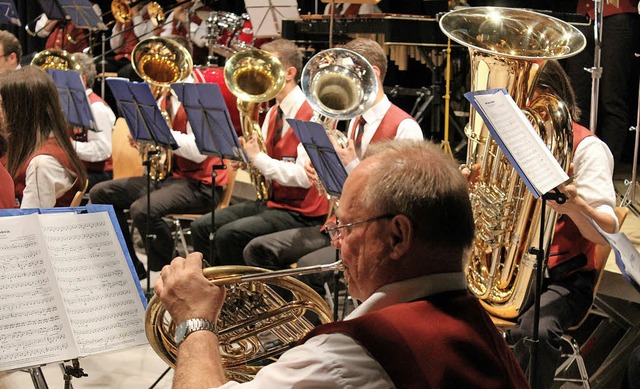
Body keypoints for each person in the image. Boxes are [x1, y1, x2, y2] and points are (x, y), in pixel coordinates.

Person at [155, 139, 530, 388]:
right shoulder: (480, 327)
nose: (336, 241)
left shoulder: (351, 356)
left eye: (346, 227)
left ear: (398, 236)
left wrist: (195, 319)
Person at [242, 37, 423, 283]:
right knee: (258, 250)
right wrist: (324, 172)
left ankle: (316, 321)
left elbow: (402, 200)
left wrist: (350, 165)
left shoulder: (405, 128)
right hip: (341, 226)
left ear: (374, 73)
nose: (340, 81)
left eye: (347, 73)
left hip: (377, 236)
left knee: (306, 267)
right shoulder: (351, 121)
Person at [505, 60, 619, 389]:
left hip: (564, 278)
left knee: (533, 332)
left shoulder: (588, 148)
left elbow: (606, 232)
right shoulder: (516, 143)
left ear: (550, 98)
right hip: (514, 272)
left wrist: (575, 206)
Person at [90, 36, 229, 279]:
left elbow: (198, 153)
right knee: (101, 192)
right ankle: (133, 267)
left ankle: (169, 269)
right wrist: (144, 137)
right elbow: (160, 142)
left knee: (143, 210)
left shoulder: (198, 99)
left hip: (202, 184)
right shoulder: (163, 96)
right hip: (172, 179)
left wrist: (159, 134)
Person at [190, 38, 329, 266]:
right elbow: (264, 160)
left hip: (302, 213)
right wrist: (246, 160)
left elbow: (304, 177)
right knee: (202, 227)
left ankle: (244, 294)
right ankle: (216, 291)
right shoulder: (273, 112)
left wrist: (258, 158)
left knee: (229, 235)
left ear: (289, 73)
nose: (260, 76)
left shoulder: (312, 114)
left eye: (268, 68)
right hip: (272, 202)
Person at [561, 0, 639, 166]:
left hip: (618, 14)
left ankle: (603, 171)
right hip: (582, 16)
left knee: (612, 100)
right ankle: (576, 168)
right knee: (578, 101)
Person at [0, 66, 87, 208]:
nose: (1, 113)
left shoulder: (42, 164)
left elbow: (29, 223)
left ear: (20, 112)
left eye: (3, 105)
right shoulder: (46, 144)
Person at [72, 52, 116, 190]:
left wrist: (70, 145)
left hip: (99, 173)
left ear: (82, 80)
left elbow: (102, 150)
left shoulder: (96, 108)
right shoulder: (73, 105)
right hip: (82, 169)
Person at [108, 1, 156, 80]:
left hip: (139, 61)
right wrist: (118, 26)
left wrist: (136, 14)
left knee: (125, 72)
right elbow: (115, 49)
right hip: (122, 58)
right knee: (100, 65)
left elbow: (143, 39)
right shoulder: (126, 12)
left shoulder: (154, 13)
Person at [32, 2, 102, 54]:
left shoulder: (92, 7)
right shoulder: (55, 7)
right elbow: (40, 32)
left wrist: (75, 13)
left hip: (77, 58)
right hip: (51, 56)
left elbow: (96, 29)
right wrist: (56, 18)